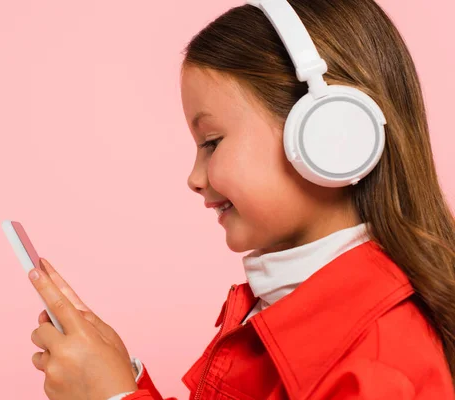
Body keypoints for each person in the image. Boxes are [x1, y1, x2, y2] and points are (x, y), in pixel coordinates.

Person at [28, 0, 455, 398]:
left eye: (211, 142)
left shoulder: (382, 370)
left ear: (330, 135)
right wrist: (120, 379)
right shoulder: (278, 305)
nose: (194, 178)